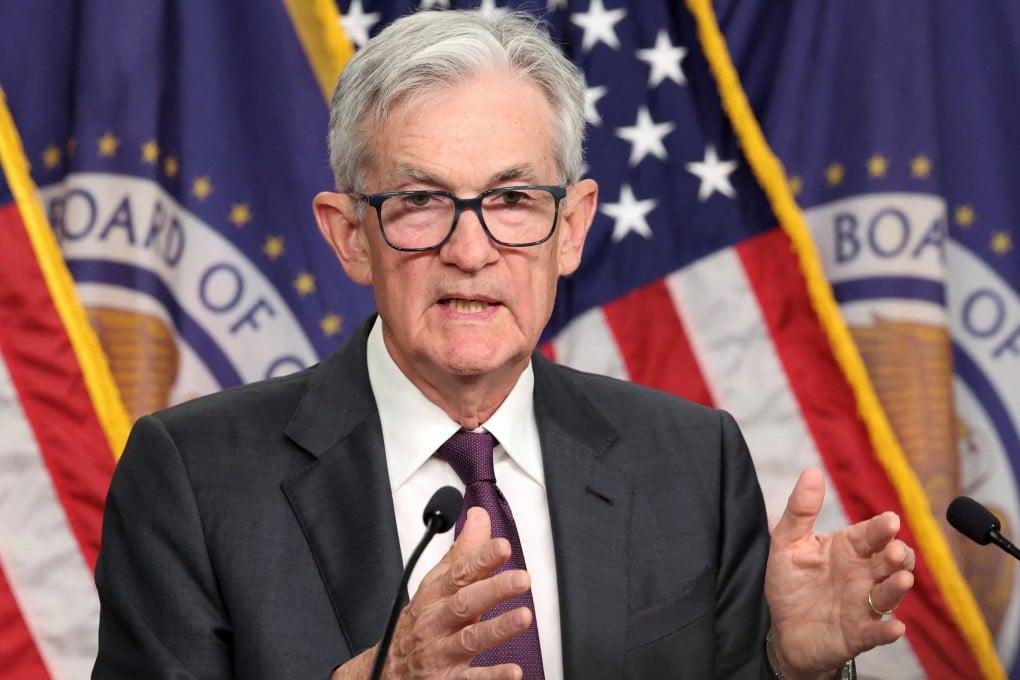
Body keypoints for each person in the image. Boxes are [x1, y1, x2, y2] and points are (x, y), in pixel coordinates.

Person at [92, 9, 915, 680]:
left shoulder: (694, 460)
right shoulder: (195, 479)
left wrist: (786, 664)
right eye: (420, 200)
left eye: (513, 199)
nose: (472, 249)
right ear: (349, 237)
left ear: (573, 227)